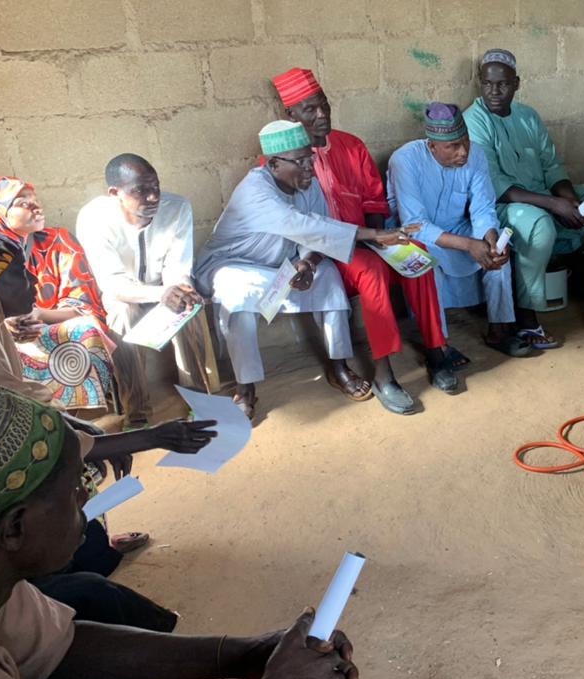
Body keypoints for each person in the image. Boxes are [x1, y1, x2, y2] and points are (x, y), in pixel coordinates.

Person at [0, 384, 359, 679]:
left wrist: (250, 653)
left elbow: (60, 646)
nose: (87, 496)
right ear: (15, 528)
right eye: (75, 489)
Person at [0, 231, 217, 575]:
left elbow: (29, 407)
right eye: (18, 273)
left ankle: (88, 540)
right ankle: (58, 564)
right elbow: (32, 439)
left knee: (85, 460)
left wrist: (84, 429)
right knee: (70, 472)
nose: (31, 281)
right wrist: (154, 437)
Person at [195, 120, 412, 419]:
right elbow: (305, 225)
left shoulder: (306, 183)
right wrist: (374, 235)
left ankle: (339, 366)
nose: (310, 166)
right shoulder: (255, 189)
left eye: (310, 157)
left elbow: (316, 234)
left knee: (328, 278)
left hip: (283, 263)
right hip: (235, 265)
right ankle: (246, 388)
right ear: (273, 164)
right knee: (237, 294)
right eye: (300, 161)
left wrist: (308, 263)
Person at [272, 67, 456, 413]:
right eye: (310, 109)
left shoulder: (351, 145)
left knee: (417, 255)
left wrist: (377, 237)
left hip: (368, 238)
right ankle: (384, 373)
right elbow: (297, 224)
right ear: (290, 115)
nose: (322, 114)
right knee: (370, 270)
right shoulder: (285, 162)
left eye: (324, 104)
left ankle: (436, 350)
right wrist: (359, 245)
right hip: (325, 253)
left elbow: (373, 198)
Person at [463, 49, 584, 348]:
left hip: (544, 197)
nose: (494, 91)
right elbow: (496, 183)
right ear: (480, 83)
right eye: (487, 83)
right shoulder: (474, 120)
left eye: (503, 84)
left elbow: (552, 165)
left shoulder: (528, 116)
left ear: (517, 83)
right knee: (539, 223)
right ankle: (526, 318)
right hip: (502, 206)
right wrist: (553, 205)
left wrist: (570, 200)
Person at [76, 155, 218, 430]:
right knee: (121, 314)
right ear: (115, 193)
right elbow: (113, 284)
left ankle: (202, 401)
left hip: (165, 286)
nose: (153, 197)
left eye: (156, 187)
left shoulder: (177, 208)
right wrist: (162, 294)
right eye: (140, 190)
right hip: (125, 293)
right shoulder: (94, 219)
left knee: (189, 305)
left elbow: (178, 268)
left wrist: (177, 291)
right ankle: (137, 413)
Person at [389, 103, 530, 358]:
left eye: (465, 142)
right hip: (413, 235)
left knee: (497, 254)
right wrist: (468, 245)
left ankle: (500, 329)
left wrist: (490, 236)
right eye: (452, 147)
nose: (463, 152)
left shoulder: (476, 155)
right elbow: (415, 225)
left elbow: (483, 208)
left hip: (455, 227)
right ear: (432, 146)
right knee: (427, 264)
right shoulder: (405, 160)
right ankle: (439, 346)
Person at [0, 178, 117, 411]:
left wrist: (39, 314)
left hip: (52, 326)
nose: (36, 207)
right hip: (2, 335)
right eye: (23, 203)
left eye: (35, 200)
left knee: (85, 330)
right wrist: (6, 322)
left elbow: (84, 305)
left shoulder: (59, 242)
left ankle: (72, 414)